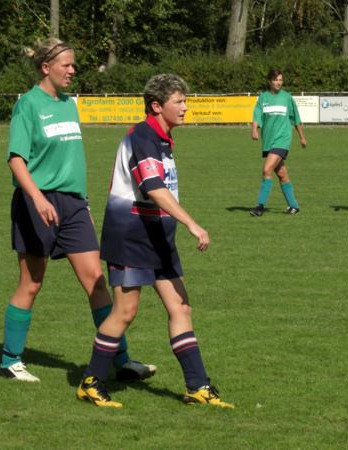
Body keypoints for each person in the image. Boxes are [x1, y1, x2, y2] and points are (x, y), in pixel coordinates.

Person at [0, 37, 155, 382]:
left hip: (73, 206)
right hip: (35, 202)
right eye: (66, 65)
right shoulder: (28, 104)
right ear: (46, 67)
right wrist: (38, 198)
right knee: (31, 282)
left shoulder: (70, 105)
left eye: (73, 65)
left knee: (96, 280)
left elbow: (70, 161)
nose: (72, 70)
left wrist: (81, 201)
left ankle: (121, 360)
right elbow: (16, 159)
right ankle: (10, 361)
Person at [76, 73, 234, 409]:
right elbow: (153, 188)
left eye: (185, 101)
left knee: (181, 306)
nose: (185, 107)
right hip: (131, 235)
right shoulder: (143, 136)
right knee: (126, 310)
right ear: (157, 106)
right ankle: (91, 382)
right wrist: (191, 223)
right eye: (179, 101)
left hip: (158, 236)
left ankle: (198, 387)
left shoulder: (162, 138)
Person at [250, 68, 307, 217]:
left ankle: (260, 206)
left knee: (266, 169)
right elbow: (257, 115)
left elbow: (296, 119)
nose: (278, 82)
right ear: (269, 81)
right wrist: (254, 129)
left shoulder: (287, 98)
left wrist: (302, 137)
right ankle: (294, 206)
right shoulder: (263, 97)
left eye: (280, 80)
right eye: (276, 80)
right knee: (282, 174)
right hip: (268, 141)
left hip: (282, 140)